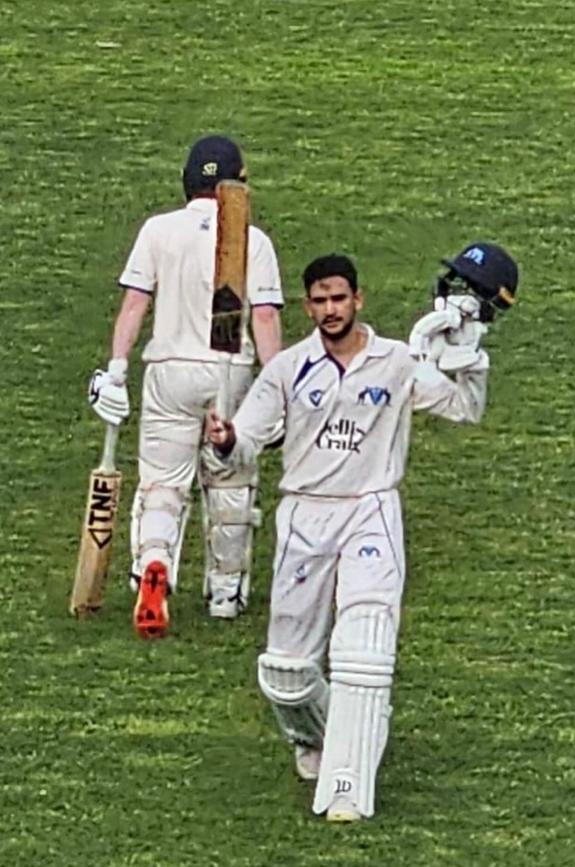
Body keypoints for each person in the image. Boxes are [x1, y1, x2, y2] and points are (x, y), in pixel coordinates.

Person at [204, 246, 518, 821]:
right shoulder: (287, 369)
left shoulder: (396, 361)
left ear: (358, 299)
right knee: (286, 673)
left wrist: (469, 358)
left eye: (339, 298)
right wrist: (224, 440)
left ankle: (351, 777)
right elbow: (241, 445)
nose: (330, 309)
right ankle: (322, 738)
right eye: (320, 300)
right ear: (309, 305)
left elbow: (464, 410)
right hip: (304, 514)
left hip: (371, 509)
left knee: (365, 643)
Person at [88, 134, 284, 639]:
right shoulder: (252, 239)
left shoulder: (158, 230)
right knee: (230, 485)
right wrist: (279, 384)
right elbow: (262, 315)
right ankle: (225, 593)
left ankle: (155, 563)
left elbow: (135, 304)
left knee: (162, 483)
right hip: (228, 369)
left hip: (168, 371)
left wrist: (115, 368)